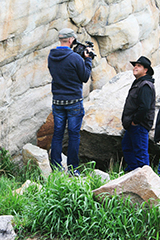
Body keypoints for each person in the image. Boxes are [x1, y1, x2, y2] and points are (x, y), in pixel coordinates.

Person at [48, 28, 93, 176]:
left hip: (58, 102)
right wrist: (88, 60)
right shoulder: (75, 58)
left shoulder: (51, 56)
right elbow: (85, 76)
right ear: (71, 40)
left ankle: (56, 167)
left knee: (58, 134)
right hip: (74, 102)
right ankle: (73, 170)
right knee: (74, 135)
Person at [121, 56, 156, 172]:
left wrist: (135, 121)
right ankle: (133, 174)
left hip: (139, 126)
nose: (135, 67)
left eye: (139, 66)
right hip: (132, 126)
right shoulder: (139, 83)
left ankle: (145, 181)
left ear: (146, 70)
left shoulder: (145, 85)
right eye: (135, 65)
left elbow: (145, 107)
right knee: (127, 148)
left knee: (141, 155)